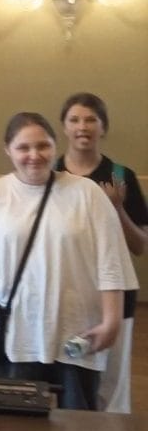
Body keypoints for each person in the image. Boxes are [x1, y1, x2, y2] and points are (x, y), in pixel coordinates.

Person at [0, 112, 135, 410]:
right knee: (16, 429)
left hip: (76, 330)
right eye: (23, 148)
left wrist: (112, 319)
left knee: (79, 424)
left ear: (55, 146)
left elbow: (111, 260)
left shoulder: (87, 193)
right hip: (16, 333)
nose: (34, 156)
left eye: (43, 146)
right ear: (8, 150)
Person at [56, 92, 147, 414]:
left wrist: (117, 209)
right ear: (64, 128)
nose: (83, 127)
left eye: (91, 119)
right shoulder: (50, 174)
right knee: (68, 379)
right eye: (75, 120)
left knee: (112, 384)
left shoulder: (121, 176)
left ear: (103, 127)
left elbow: (139, 246)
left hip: (113, 295)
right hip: (63, 295)